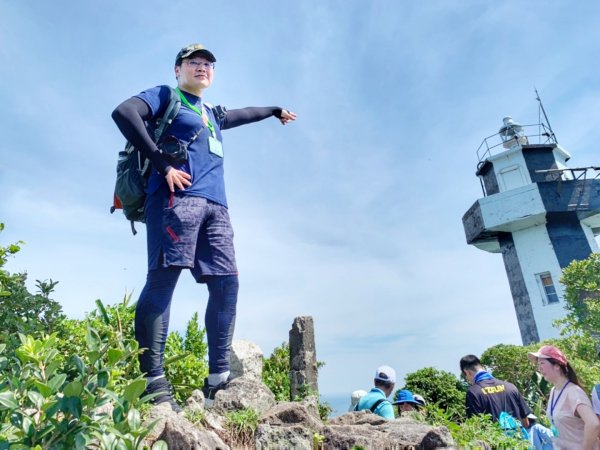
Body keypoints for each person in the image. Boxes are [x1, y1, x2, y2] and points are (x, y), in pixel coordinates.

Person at [112, 43, 296, 412]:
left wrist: (274, 110)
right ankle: (153, 383)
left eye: (208, 63)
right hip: (175, 200)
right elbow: (124, 112)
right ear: (177, 70)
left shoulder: (211, 112)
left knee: (227, 282)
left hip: (217, 207)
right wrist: (162, 162)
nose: (202, 67)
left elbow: (245, 113)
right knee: (164, 278)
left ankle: (218, 380)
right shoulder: (167, 96)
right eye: (193, 62)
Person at [528, 345, 600, 450]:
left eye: (542, 363)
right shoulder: (554, 391)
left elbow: (593, 424)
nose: (539, 368)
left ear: (557, 365)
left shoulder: (573, 392)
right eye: (538, 364)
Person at [460, 354, 532, 427]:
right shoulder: (510, 387)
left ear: (467, 372)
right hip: (519, 437)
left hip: (494, 438)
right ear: (483, 367)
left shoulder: (473, 392)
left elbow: (475, 426)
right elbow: (526, 423)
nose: (468, 379)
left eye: (466, 376)